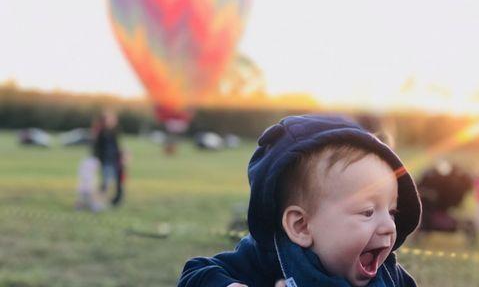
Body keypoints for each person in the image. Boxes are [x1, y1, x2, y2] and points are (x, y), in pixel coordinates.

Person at [177, 114, 421, 287]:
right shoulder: (268, 259)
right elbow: (195, 275)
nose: (389, 227)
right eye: (368, 212)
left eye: (391, 212)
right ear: (301, 226)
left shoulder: (390, 276)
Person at [93, 109, 124, 206]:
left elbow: (117, 146)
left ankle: (116, 200)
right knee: (105, 182)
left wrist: (122, 155)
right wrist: (98, 159)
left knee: (117, 181)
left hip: (115, 159)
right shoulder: (101, 132)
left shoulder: (115, 132)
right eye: (110, 119)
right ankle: (99, 200)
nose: (113, 121)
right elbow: (97, 148)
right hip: (106, 160)